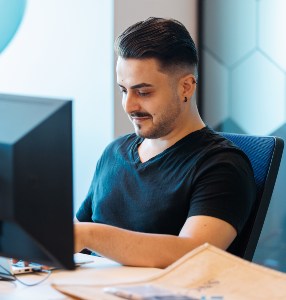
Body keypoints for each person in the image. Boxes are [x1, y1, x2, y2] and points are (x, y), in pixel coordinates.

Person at [74, 17, 256, 269]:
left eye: (144, 92)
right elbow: (77, 237)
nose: (129, 106)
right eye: (123, 90)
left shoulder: (222, 165)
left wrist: (88, 234)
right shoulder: (114, 152)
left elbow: (193, 254)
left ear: (186, 87)